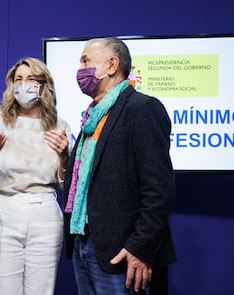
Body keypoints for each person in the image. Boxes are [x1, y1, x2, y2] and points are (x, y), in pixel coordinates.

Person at [63, 37, 177, 295]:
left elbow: (159, 189)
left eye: (85, 61)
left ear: (112, 65)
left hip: (123, 252)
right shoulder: (94, 115)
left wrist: (140, 247)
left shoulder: (142, 108)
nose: (80, 70)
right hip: (86, 242)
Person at [0, 57, 71, 295]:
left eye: (31, 79)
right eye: (18, 79)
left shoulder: (59, 126)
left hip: (45, 212)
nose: (24, 85)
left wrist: (64, 155)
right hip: (3, 208)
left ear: (44, 85)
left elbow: (64, 183)